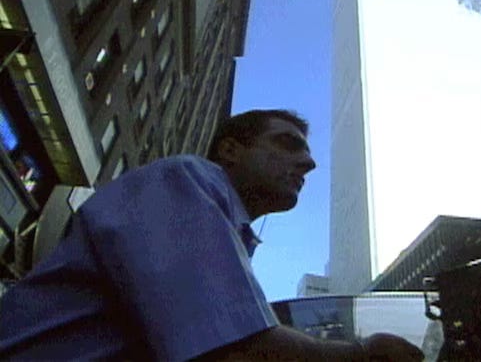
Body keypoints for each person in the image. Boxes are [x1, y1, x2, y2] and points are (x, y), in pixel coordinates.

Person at [0, 109, 423, 361]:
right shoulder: (187, 178)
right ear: (230, 150)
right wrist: (364, 354)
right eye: (287, 144)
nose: (308, 164)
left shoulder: (229, 233)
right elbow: (236, 351)